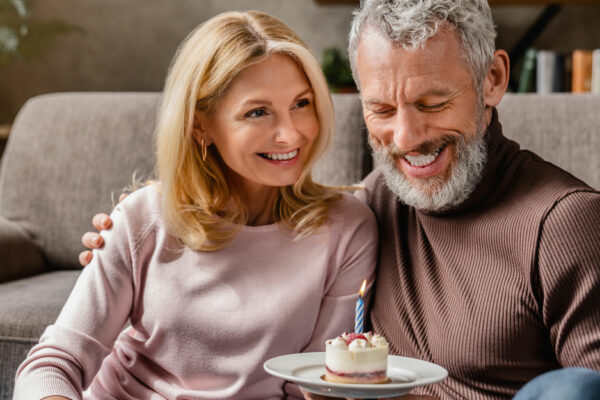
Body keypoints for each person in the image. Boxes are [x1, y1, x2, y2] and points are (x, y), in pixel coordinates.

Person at [81, 1, 600, 399]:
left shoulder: (566, 223)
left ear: (493, 79)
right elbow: (270, 221)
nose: (406, 137)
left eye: (432, 102)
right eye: (381, 108)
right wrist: (142, 224)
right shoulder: (374, 203)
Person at [13, 10, 378, 400]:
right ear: (199, 125)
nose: (290, 133)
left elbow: (317, 387)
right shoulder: (143, 218)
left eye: (301, 103)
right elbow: (53, 364)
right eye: (257, 112)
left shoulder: (347, 229)